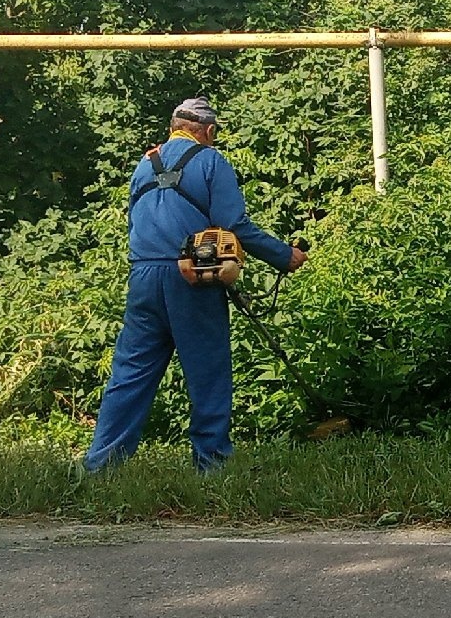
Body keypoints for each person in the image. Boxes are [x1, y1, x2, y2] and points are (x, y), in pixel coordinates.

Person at [82, 97, 306, 472]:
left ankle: (100, 467)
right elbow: (233, 224)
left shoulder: (144, 164)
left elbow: (135, 224)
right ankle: (211, 466)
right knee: (208, 373)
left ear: (173, 128)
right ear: (208, 132)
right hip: (192, 277)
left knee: (130, 374)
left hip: (142, 277)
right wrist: (285, 256)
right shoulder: (210, 160)